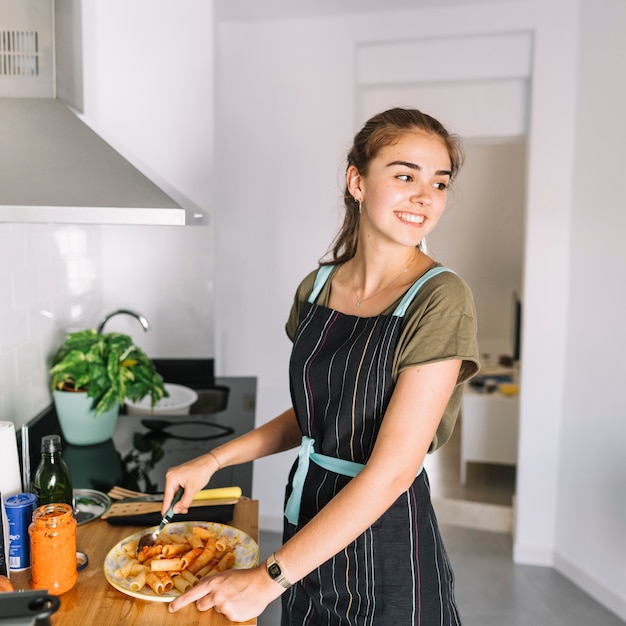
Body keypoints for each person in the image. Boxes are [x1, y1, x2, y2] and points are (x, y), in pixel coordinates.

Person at [162, 107, 480, 624]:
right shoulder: (317, 288)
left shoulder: (441, 298)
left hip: (385, 542)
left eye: (439, 183)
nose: (425, 197)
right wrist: (214, 460)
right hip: (307, 526)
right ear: (357, 181)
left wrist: (268, 579)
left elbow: (393, 471)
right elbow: (318, 415)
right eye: (405, 176)